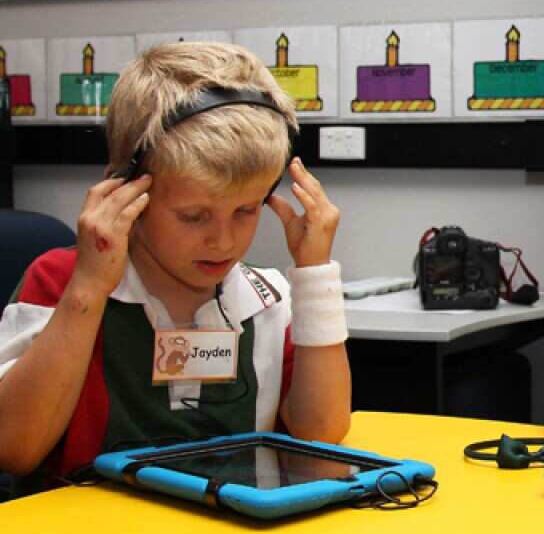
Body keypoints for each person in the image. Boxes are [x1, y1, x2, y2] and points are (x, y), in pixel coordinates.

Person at [0, 42, 350, 494]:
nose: (223, 241)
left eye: (246, 210)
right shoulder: (63, 280)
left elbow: (322, 432)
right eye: (193, 216)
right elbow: (14, 448)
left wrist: (314, 275)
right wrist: (87, 289)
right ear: (123, 191)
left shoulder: (266, 297)